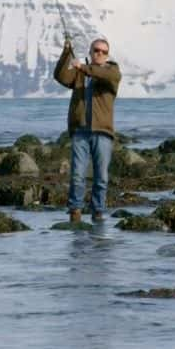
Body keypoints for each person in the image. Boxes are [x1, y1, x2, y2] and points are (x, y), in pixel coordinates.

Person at [53, 35, 122, 224]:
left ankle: (97, 212)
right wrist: (67, 52)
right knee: (77, 175)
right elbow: (60, 76)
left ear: (107, 55)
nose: (99, 53)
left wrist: (82, 67)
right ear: (90, 53)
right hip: (80, 131)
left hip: (103, 132)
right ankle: (75, 211)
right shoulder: (79, 74)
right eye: (96, 50)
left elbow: (104, 74)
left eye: (103, 51)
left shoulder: (112, 72)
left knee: (101, 177)